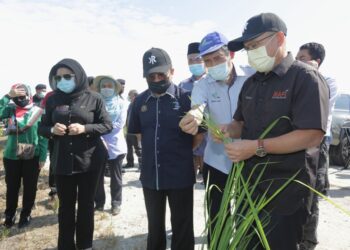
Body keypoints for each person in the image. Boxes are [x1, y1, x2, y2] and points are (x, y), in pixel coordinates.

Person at [216, 13, 329, 249]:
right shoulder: (251, 83)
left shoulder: (306, 78)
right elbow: (240, 124)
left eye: (255, 45)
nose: (251, 51)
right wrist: (228, 129)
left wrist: (256, 147)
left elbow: (312, 134)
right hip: (249, 190)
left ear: (279, 39)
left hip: (286, 195)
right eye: (247, 48)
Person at [179, 32, 254, 245]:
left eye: (217, 58)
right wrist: (193, 116)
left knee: (245, 213)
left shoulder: (251, 77)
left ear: (230, 54)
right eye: (207, 61)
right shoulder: (203, 84)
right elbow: (198, 107)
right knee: (217, 216)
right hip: (216, 160)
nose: (213, 64)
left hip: (248, 158)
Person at [38, 58, 112, 250]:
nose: (63, 80)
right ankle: (65, 245)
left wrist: (85, 128)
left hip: (89, 160)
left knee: (86, 205)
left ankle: (85, 244)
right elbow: (42, 127)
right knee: (65, 207)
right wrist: (52, 130)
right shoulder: (53, 99)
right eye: (58, 77)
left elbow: (107, 125)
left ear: (78, 76)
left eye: (67, 76)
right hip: (62, 160)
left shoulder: (94, 98)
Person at [128, 47, 195, 250]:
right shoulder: (139, 102)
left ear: (172, 72)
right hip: (151, 175)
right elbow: (138, 135)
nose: (157, 79)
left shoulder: (186, 99)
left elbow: (198, 136)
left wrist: (179, 155)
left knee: (182, 225)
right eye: (151, 76)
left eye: (161, 74)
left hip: (180, 175)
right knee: (154, 225)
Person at [296, 42, 338, 250]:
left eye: (301, 58)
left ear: (316, 61)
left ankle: (308, 242)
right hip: (298, 143)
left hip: (319, 145)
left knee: (312, 194)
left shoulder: (328, 81)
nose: (297, 62)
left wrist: (308, 71)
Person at [0, 84, 47, 228]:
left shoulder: (38, 111)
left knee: (30, 187)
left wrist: (43, 157)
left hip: (32, 156)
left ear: (30, 95)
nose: (20, 98)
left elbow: (43, 136)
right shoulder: (9, 109)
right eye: (17, 96)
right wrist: (7, 96)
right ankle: (10, 215)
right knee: (12, 187)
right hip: (11, 156)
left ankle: (25, 214)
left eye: (23, 95)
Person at [93, 75, 127, 215]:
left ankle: (116, 203)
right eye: (104, 86)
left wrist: (102, 128)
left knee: (116, 177)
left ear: (114, 88)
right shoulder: (95, 102)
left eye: (109, 86)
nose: (106, 89)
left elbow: (120, 124)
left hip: (115, 144)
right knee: (97, 177)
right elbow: (92, 121)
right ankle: (99, 203)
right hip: (97, 143)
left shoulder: (121, 103)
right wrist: (100, 131)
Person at [179, 42, 207, 177]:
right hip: (192, 137)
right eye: (190, 60)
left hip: (213, 141)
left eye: (198, 59)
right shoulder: (183, 85)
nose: (194, 62)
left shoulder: (214, 82)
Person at [124, 89, 142, 169]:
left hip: (136, 131)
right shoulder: (130, 105)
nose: (128, 97)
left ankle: (141, 165)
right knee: (129, 148)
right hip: (129, 130)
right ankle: (130, 163)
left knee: (138, 148)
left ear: (134, 96)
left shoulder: (139, 104)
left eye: (130, 95)